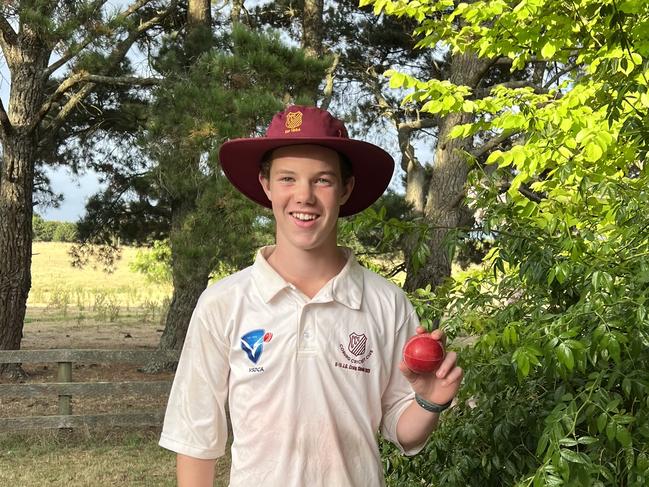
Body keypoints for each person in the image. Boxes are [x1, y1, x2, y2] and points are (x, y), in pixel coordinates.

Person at [159, 105, 463, 487]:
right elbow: (195, 439)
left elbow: (404, 430)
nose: (304, 196)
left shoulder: (386, 303)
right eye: (287, 178)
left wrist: (429, 401)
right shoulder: (224, 303)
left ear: (345, 189)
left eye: (322, 180)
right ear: (266, 185)